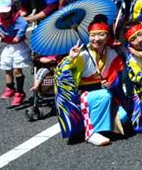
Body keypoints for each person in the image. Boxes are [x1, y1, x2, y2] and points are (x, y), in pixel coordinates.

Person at [54, 18, 126, 146]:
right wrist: (70, 59)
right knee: (104, 95)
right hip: (83, 96)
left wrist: (110, 82)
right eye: (93, 35)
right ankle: (91, 132)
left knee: (123, 116)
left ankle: (96, 125)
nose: (96, 39)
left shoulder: (111, 53)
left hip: (103, 93)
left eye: (101, 34)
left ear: (108, 36)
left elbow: (116, 76)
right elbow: (61, 74)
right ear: (88, 36)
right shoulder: (82, 55)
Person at [0, 0, 31, 107]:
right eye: (1, 12)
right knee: (6, 66)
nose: (3, 14)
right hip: (9, 46)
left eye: (5, 12)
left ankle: (20, 92)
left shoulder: (16, 18)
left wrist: (19, 36)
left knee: (16, 70)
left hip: (18, 46)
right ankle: (10, 87)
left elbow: (24, 25)